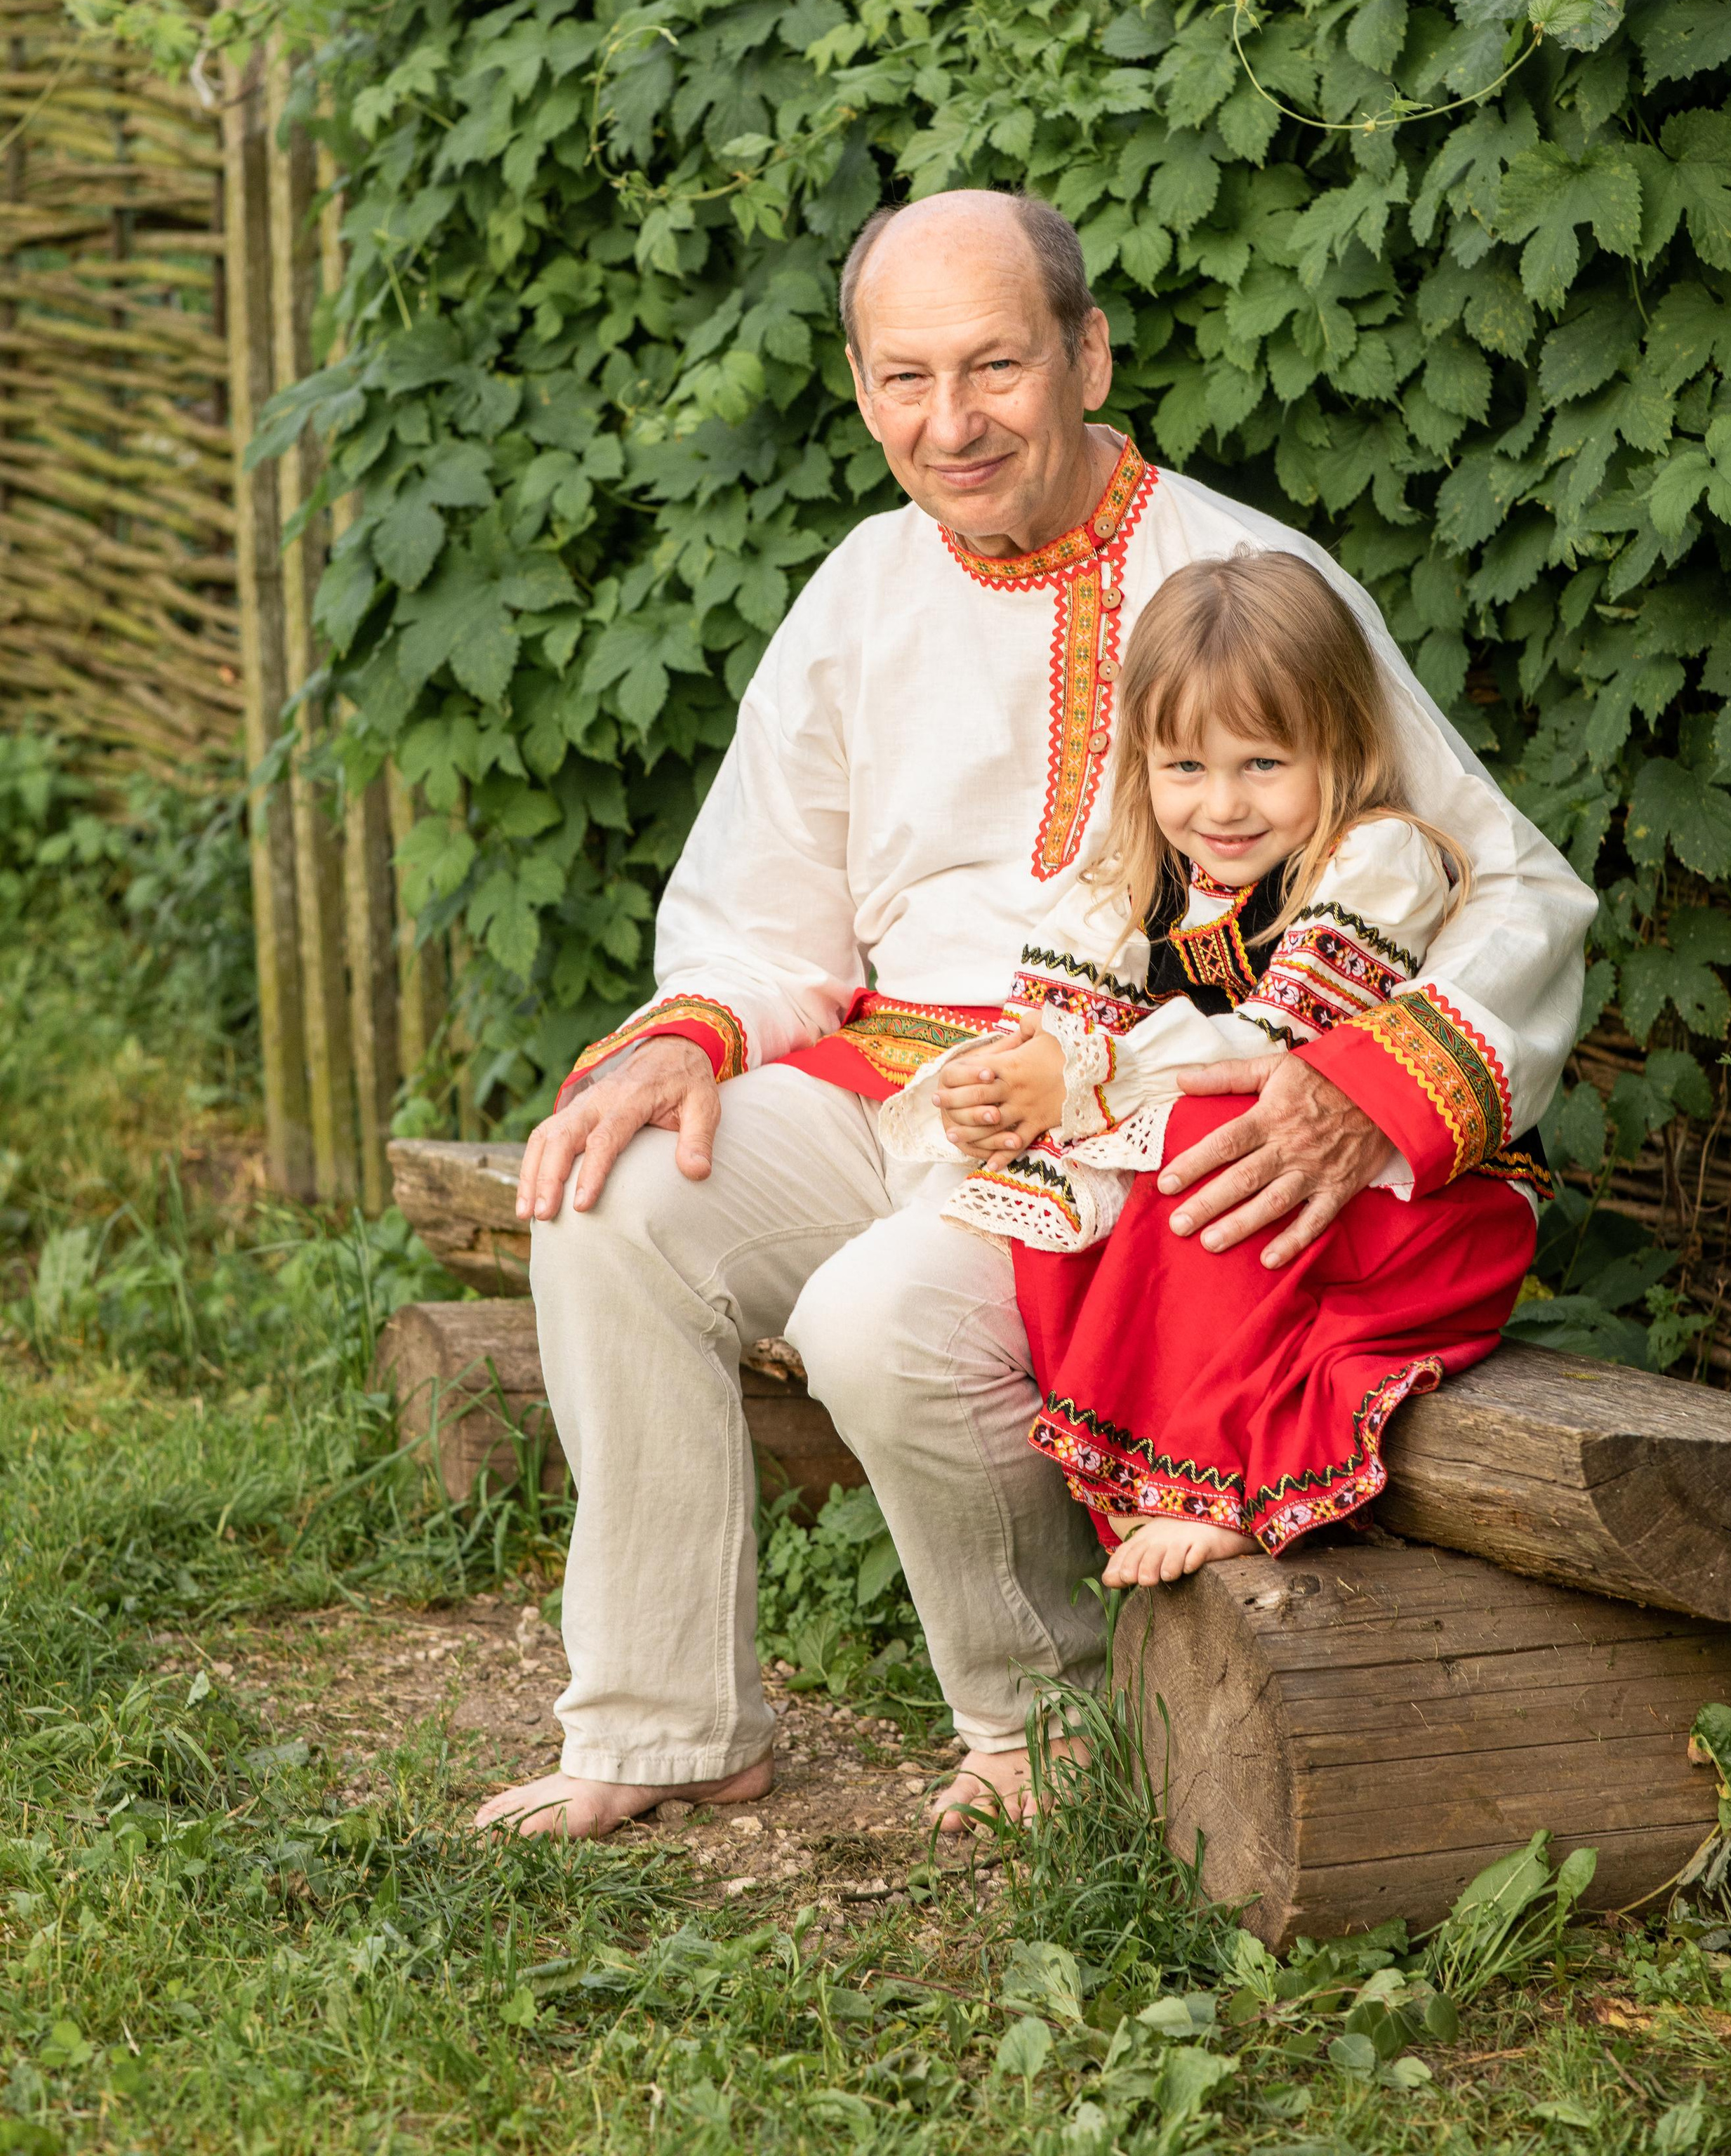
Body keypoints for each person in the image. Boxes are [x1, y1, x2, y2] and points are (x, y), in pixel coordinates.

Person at [472, 187, 1595, 1844]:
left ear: (1084, 351)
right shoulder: (858, 584)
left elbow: (1505, 885)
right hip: (877, 1078)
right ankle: (662, 1722)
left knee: (877, 1325)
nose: (950, 422)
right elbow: (760, 906)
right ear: (857, 390)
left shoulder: (1239, 576)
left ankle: (1042, 1724)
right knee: (610, 1206)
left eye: (991, 365)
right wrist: (674, 1036)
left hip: (1116, 1119)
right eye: (903, 379)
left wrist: (1363, 1084)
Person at [878, 550, 1544, 1592]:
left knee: (1199, 1137)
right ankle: (1140, 1467)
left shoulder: (1378, 860)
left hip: (1390, 1213)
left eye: (1264, 765)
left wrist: (1088, 1080)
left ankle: (1220, 1473)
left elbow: (1276, 1053)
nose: (1222, 805)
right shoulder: (1131, 886)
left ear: (1341, 747)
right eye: (1185, 767)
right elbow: (1055, 1025)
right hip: (1260, 1213)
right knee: (1046, 1191)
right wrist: (1005, 1086)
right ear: (1142, 762)